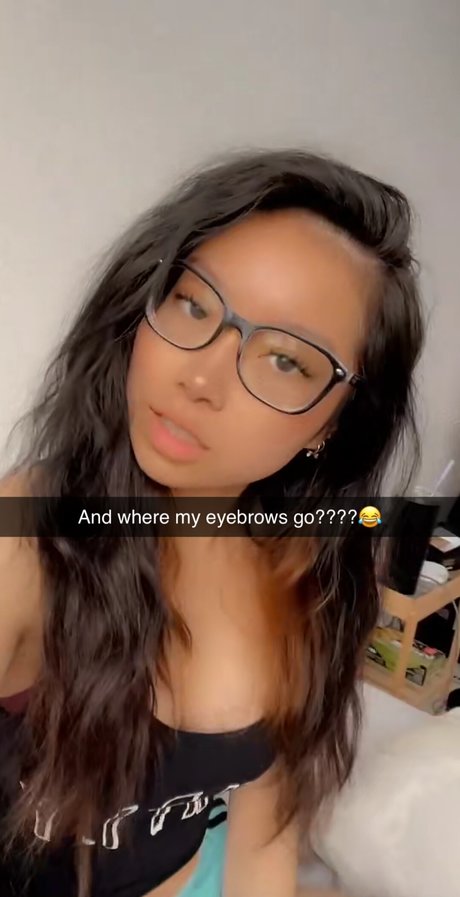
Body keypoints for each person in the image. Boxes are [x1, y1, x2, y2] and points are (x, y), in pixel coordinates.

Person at [0, 149, 424, 897]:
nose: (198, 377)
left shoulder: (314, 578)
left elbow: (265, 844)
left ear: (335, 423)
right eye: (194, 305)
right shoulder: (32, 538)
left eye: (286, 361)